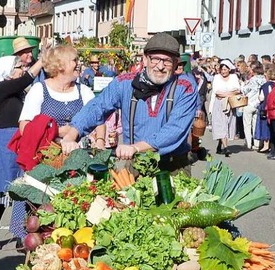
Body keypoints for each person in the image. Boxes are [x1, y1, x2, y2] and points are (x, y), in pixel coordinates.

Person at [62, 32, 198, 174]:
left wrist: (136, 147)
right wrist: (72, 134)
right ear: (144, 60)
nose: (160, 66)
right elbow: (97, 106)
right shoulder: (124, 83)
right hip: (135, 163)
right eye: (155, 59)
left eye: (167, 61)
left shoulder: (185, 87)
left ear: (176, 64)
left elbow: (175, 129)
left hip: (172, 165)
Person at [0, 55, 43, 249]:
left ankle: (20, 233)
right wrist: (41, 61)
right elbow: (26, 78)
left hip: (22, 140)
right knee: (0, 191)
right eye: (19, 66)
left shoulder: (21, 93)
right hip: (3, 142)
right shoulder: (0, 88)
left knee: (22, 189)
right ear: (7, 71)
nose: (23, 68)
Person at [19, 45, 103, 142]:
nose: (78, 64)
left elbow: (99, 119)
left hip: (79, 154)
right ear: (60, 65)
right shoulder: (39, 90)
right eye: (74, 60)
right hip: (45, 153)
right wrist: (57, 131)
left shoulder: (84, 91)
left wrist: (100, 141)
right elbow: (24, 128)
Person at [209, 59, 241, 157]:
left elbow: (237, 89)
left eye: (225, 69)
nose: (223, 71)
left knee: (227, 124)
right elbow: (217, 91)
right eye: (222, 69)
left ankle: (220, 145)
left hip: (230, 104)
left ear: (229, 69)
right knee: (220, 125)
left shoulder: (233, 77)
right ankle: (226, 147)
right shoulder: (217, 77)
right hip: (219, 104)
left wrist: (227, 94)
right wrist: (229, 93)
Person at [242, 62, 266, 150]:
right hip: (259, 104)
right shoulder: (265, 79)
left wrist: (244, 83)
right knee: (256, 124)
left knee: (247, 124)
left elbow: (244, 90)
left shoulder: (252, 79)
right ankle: (257, 143)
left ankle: (248, 143)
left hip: (250, 103)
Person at [255, 67, 275, 152]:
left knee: (265, 126)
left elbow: (262, 98)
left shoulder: (265, 86)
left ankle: (266, 145)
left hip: (265, 108)